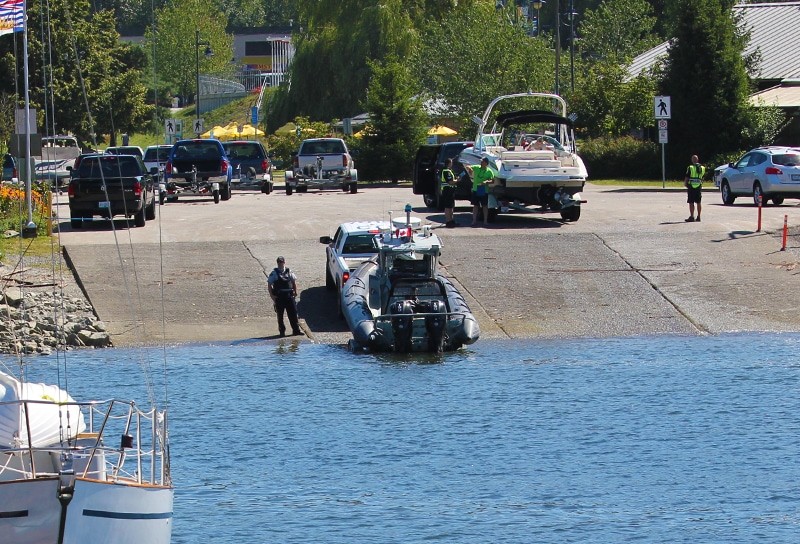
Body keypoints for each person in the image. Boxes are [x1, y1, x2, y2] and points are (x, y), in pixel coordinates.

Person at [268, 256, 302, 336]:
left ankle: (296, 330)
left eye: (281, 262)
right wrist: (272, 296)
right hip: (279, 297)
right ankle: (282, 331)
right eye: (279, 262)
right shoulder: (274, 273)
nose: (280, 264)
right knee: (280, 316)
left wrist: (295, 291)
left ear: (284, 262)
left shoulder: (289, 271)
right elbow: (269, 284)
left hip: (289, 296)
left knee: (293, 314)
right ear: (277, 263)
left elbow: (293, 282)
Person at [464, 157, 495, 226]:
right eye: (481, 161)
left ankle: (485, 221)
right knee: (475, 205)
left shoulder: (489, 171)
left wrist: (486, 182)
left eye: (482, 162)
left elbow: (492, 180)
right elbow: (468, 166)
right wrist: (470, 169)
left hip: (484, 190)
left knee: (484, 206)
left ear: (486, 163)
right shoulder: (477, 167)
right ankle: (474, 220)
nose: (481, 163)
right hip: (476, 189)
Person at [684, 154, 705, 222]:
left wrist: (685, 183)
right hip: (698, 186)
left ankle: (692, 216)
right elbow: (702, 177)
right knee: (698, 202)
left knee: (691, 202)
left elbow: (687, 176)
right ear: (697, 160)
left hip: (691, 186)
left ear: (692, 160)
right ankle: (699, 217)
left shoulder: (690, 167)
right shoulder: (702, 168)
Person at [440, 158, 458, 228]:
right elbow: (450, 182)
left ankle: (451, 220)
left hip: (450, 191)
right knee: (448, 207)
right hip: (447, 190)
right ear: (449, 163)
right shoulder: (446, 171)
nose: (452, 164)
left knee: (451, 206)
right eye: (451, 163)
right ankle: (448, 221)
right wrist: (458, 180)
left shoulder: (449, 170)